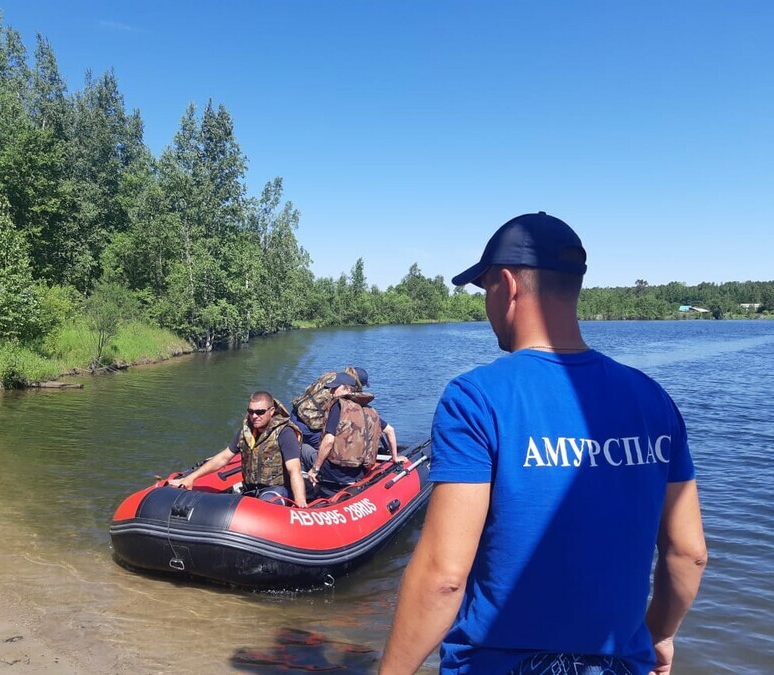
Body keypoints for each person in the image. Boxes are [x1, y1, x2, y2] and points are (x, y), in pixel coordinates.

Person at [380, 212, 707, 675]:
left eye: (486, 289)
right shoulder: (654, 401)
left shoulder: (475, 399)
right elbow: (688, 552)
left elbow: (443, 578)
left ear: (508, 285)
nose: (486, 305)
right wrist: (659, 635)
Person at [168, 391, 308, 508]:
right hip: (250, 489)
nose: (254, 416)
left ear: (271, 411)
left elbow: (294, 469)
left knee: (264, 505)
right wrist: (190, 478)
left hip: (276, 489)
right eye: (251, 412)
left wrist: (300, 502)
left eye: (260, 412)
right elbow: (223, 458)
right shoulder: (246, 432)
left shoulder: (285, 433)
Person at [304, 372, 404, 497]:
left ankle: (304, 492)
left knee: (303, 448)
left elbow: (329, 440)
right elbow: (390, 430)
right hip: (358, 473)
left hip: (333, 474)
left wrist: (315, 469)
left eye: (335, 388)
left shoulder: (338, 407)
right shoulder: (370, 410)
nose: (331, 392)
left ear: (347, 388)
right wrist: (395, 457)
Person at [290, 366, 369, 449]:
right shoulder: (345, 389)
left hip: (295, 414)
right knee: (330, 449)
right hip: (309, 426)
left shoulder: (330, 375)